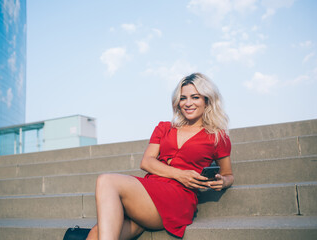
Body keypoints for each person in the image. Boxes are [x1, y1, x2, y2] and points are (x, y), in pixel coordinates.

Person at [86, 73, 234, 239]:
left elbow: (228, 174)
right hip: (149, 192)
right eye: (183, 98)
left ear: (207, 100)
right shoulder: (164, 128)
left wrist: (222, 181)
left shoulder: (217, 136)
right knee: (96, 233)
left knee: (106, 180)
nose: (188, 103)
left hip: (179, 197)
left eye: (195, 97)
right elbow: (146, 162)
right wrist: (181, 174)